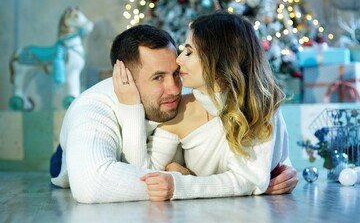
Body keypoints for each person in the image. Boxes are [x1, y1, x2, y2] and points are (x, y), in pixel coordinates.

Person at [50, 24, 297, 203]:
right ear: (125, 79)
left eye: (176, 73)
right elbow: (92, 185)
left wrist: (277, 166)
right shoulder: (93, 107)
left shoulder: (197, 89)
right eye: (158, 77)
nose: (175, 88)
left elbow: (247, 126)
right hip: (68, 162)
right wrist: (175, 180)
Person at [114, 12, 298, 201]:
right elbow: (140, 176)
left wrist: (182, 184)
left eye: (189, 52)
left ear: (218, 59)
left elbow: (251, 179)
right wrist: (131, 108)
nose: (179, 60)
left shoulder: (260, 107)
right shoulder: (181, 111)